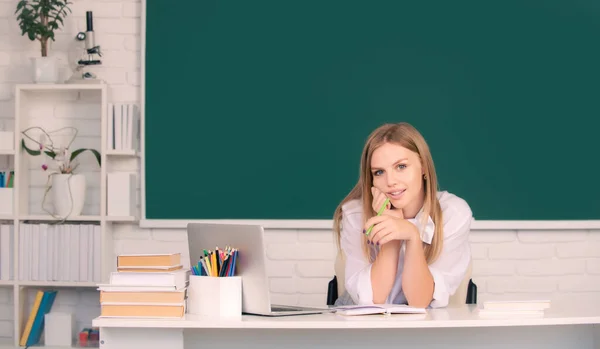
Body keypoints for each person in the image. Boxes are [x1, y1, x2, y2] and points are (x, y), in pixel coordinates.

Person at [332, 122, 472, 308]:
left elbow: (419, 301)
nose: (391, 182)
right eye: (379, 172)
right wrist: (392, 230)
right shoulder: (355, 214)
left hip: (423, 322)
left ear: (423, 166)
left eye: (401, 167)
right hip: (364, 321)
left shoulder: (453, 213)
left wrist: (412, 236)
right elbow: (373, 300)